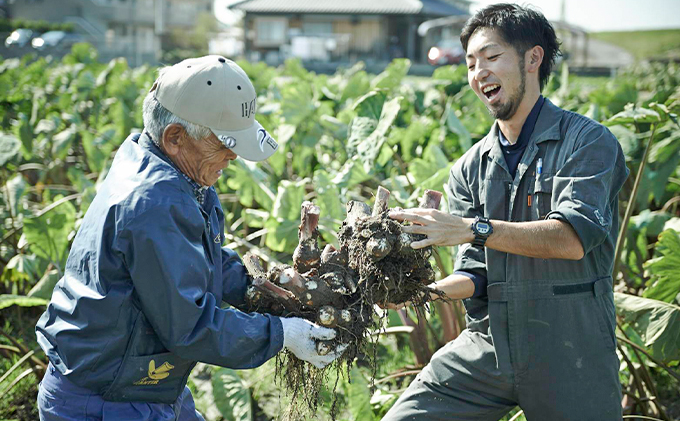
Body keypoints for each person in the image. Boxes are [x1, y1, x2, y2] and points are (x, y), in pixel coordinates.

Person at [35, 55, 344, 421]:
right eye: (224, 144)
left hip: (140, 384)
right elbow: (190, 326)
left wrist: (262, 285)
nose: (232, 157)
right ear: (175, 137)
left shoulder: (170, 171)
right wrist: (282, 334)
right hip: (104, 401)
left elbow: (197, 259)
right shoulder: (153, 203)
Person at [384, 4, 629, 420]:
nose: (479, 72)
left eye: (492, 57)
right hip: (490, 347)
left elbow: (570, 240)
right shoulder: (469, 167)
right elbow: (476, 274)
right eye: (471, 63)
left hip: (571, 352)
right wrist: (423, 293)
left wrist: (470, 228)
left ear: (533, 59)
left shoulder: (588, 143)